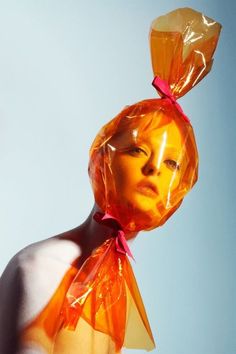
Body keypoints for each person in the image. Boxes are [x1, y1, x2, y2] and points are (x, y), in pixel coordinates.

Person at [0, 7, 221, 354]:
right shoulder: (40, 269)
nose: (154, 170)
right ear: (101, 158)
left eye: (172, 164)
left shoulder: (115, 288)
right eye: (136, 150)